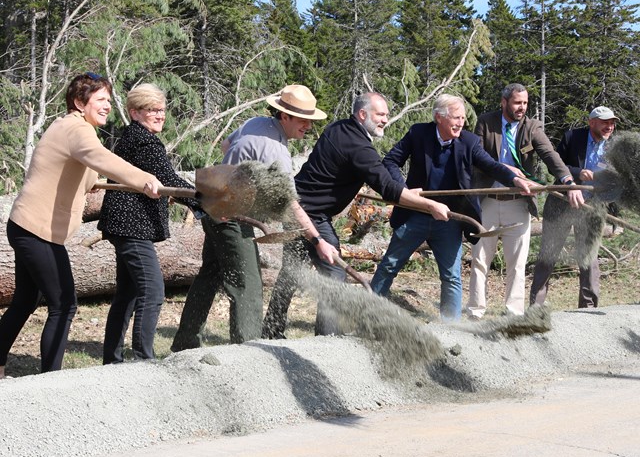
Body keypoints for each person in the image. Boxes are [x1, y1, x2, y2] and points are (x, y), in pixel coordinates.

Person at [0, 73, 163, 378]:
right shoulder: (77, 129)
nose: (106, 107)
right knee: (64, 304)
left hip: (26, 225)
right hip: (37, 231)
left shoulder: (72, 128)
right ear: (79, 102)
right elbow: (101, 159)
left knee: (25, 300)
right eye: (100, 100)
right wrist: (144, 179)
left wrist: (98, 183)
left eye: (107, 101)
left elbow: (88, 171)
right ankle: (52, 379)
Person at [262, 91, 452, 338]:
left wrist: (406, 193)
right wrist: (428, 206)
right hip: (310, 213)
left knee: (292, 271)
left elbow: (381, 179)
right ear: (363, 114)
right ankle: (327, 339)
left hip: (296, 208)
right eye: (380, 114)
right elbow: (384, 184)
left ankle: (271, 331)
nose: (386, 120)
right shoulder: (358, 145)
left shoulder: (341, 129)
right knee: (334, 271)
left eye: (387, 115)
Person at [170, 85, 335, 351]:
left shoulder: (256, 122)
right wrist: (318, 240)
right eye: (303, 120)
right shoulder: (276, 152)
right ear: (285, 116)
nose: (308, 126)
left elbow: (227, 145)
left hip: (212, 197)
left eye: (310, 120)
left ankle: (185, 344)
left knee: (209, 275)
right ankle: (249, 352)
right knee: (247, 284)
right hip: (230, 214)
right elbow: (292, 206)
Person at [369, 93, 532, 321]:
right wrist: (403, 190)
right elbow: (390, 161)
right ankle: (368, 315)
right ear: (439, 117)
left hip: (449, 220)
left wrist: (514, 180)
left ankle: (451, 329)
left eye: (463, 118)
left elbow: (491, 165)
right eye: (456, 118)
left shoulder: (469, 142)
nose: (461, 123)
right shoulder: (418, 133)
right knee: (389, 266)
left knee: (451, 277)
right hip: (415, 215)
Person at [98, 83, 201, 364]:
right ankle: (144, 359)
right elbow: (169, 180)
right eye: (152, 110)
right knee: (153, 292)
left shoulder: (135, 137)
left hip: (125, 226)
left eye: (162, 110)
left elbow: (161, 179)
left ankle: (112, 359)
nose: (159, 115)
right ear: (134, 112)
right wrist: (204, 201)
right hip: (131, 228)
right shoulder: (142, 140)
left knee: (128, 295)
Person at [465, 83, 584, 319]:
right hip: (486, 200)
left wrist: (569, 181)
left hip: (518, 203)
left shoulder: (532, 127)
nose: (522, 108)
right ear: (504, 102)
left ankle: (513, 314)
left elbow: (550, 155)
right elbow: (475, 156)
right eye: (517, 103)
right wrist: (504, 169)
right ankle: (475, 312)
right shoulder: (486, 122)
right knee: (479, 259)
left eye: (525, 103)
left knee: (517, 264)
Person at [529, 106, 618, 308]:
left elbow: (617, 180)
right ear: (592, 122)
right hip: (561, 203)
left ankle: (588, 310)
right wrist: (578, 173)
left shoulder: (614, 147)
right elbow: (556, 165)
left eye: (612, 123)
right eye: (605, 122)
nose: (610, 127)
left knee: (589, 258)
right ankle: (536, 307)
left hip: (592, 207)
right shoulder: (572, 137)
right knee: (548, 255)